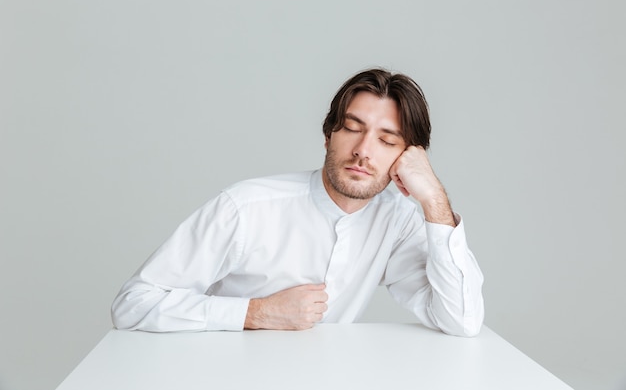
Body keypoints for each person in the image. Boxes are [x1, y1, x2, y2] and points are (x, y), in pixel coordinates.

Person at [111, 68, 485, 337]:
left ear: (407, 157)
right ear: (328, 135)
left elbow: (461, 321)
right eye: (352, 128)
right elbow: (132, 305)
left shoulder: (398, 223)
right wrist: (255, 312)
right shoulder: (245, 208)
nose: (362, 151)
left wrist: (434, 197)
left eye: (387, 141)